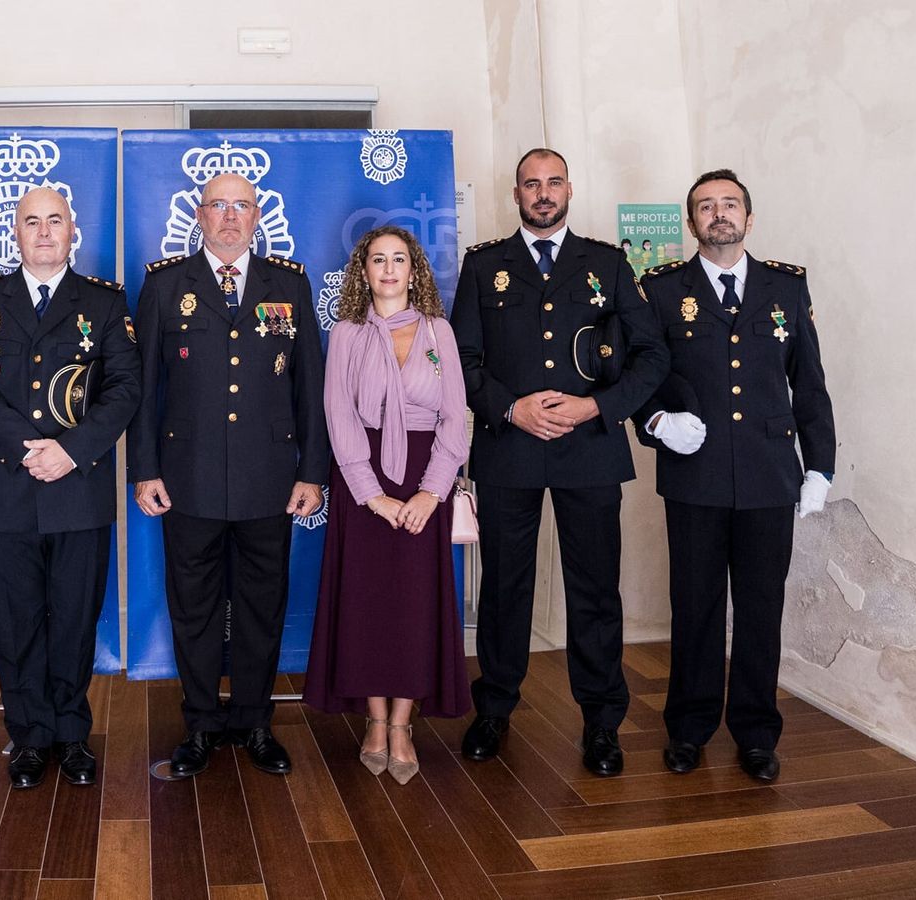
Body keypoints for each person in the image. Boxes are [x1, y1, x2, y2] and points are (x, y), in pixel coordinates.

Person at [449, 148, 668, 776]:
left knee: (595, 590)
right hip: (509, 451)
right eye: (530, 185)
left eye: (552, 183)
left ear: (570, 187)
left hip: (589, 453)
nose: (542, 194)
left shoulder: (607, 263)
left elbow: (650, 355)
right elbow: (462, 359)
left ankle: (602, 722)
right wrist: (510, 409)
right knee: (505, 587)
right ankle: (493, 708)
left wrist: (596, 408)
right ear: (514, 193)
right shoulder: (484, 265)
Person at [634, 169, 834, 782]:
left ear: (750, 217)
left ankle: (755, 733)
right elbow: (642, 378)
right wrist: (657, 419)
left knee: (758, 610)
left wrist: (820, 466)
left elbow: (810, 385)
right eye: (704, 206)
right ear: (690, 222)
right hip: (695, 480)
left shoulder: (786, 288)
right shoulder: (662, 291)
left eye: (729, 204)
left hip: (770, 476)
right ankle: (689, 731)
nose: (718, 214)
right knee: (694, 607)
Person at [129, 173, 329, 778]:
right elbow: (143, 389)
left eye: (242, 205)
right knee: (193, 608)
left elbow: (309, 387)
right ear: (199, 213)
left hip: (270, 479)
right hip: (185, 478)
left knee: (262, 606)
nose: (230, 216)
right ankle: (199, 724)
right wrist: (144, 470)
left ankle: (254, 721)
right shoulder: (166, 285)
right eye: (218, 205)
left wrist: (312, 472)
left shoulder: (287, 284)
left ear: (258, 212)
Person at [0, 187, 140, 790]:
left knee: (76, 618)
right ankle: (28, 735)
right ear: (15, 230)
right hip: (5, 486)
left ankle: (71, 733)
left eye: (54, 220)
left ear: (72, 230)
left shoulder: (104, 302)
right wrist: (27, 448)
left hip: (76, 489)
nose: (44, 231)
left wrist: (71, 451)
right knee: (18, 619)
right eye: (32, 221)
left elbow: (124, 390)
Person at [302, 225, 470, 784]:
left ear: (415, 269)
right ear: (364, 271)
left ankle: (404, 724)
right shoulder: (347, 333)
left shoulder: (438, 331)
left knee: (414, 606)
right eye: (379, 259)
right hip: (363, 484)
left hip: (426, 480)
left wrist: (430, 490)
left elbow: (455, 417)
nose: (390, 269)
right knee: (367, 605)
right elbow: (338, 414)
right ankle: (375, 721)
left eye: (400, 259)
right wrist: (371, 495)